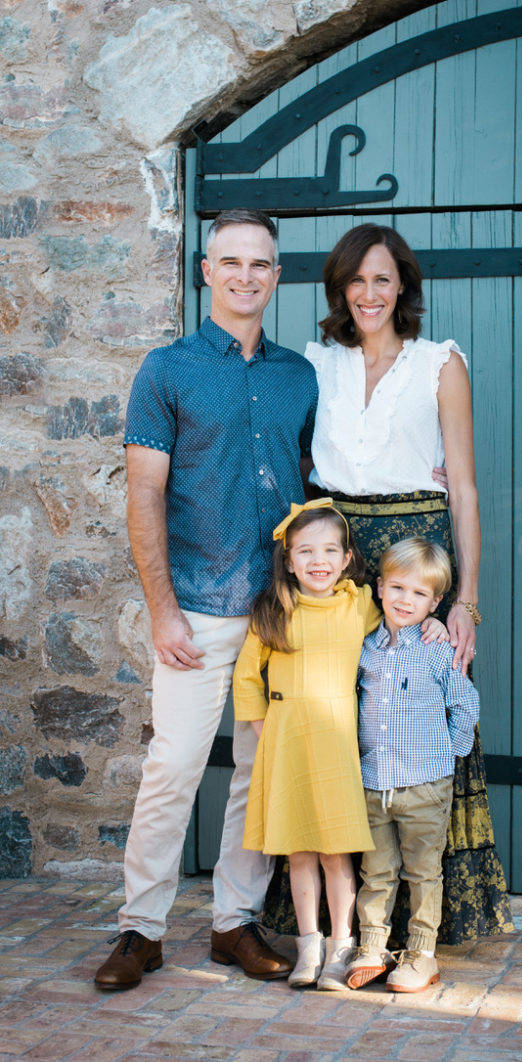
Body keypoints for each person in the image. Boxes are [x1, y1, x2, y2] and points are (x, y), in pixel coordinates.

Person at [265, 223, 512, 945]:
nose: (368, 293)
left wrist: (466, 599)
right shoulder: (317, 364)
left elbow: (462, 488)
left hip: (413, 559)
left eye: (382, 278)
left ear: (403, 284)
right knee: (343, 720)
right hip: (339, 561)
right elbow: (298, 470)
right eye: (355, 279)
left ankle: (427, 922)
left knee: (421, 720)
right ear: (339, 288)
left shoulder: (440, 363)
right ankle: (345, 924)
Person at [94, 209, 318, 991]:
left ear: (277, 275)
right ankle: (140, 929)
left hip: (280, 611)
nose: (246, 276)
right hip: (196, 603)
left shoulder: (301, 375)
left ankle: (234, 923)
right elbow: (144, 496)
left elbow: (315, 483)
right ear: (206, 271)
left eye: (261, 264)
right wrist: (161, 608)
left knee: (261, 771)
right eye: (231, 262)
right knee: (176, 765)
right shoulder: (167, 370)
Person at [233, 500, 449, 991]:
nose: (318, 560)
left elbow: (402, 615)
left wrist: (432, 623)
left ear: (348, 557)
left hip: (336, 746)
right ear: (288, 560)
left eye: (330, 549)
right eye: (305, 551)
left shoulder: (358, 605)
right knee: (300, 852)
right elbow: (247, 673)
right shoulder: (274, 610)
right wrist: (263, 725)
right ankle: (308, 944)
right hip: (287, 744)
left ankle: (341, 947)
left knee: (336, 852)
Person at [345, 538, 479, 993]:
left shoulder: (438, 650)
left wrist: (451, 754)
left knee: (423, 871)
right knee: (375, 871)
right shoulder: (364, 647)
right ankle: (372, 947)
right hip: (373, 779)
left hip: (425, 782)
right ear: (380, 588)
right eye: (398, 588)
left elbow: (465, 704)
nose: (406, 600)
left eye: (420, 594)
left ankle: (422, 953)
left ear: (436, 601)